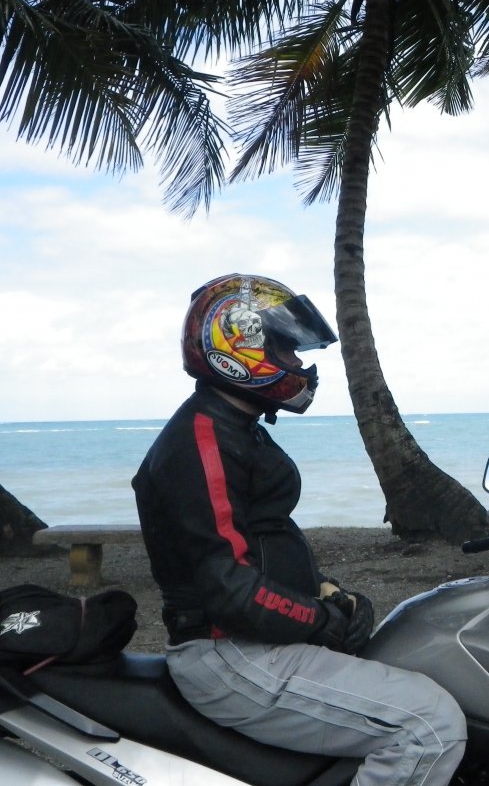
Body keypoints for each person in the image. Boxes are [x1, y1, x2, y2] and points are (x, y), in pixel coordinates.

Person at [133, 273, 467, 786]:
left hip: (253, 643)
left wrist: (328, 593)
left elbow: (256, 546)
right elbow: (226, 585)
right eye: (285, 349)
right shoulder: (204, 440)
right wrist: (321, 620)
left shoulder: (231, 427)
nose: (298, 365)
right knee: (429, 725)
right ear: (239, 347)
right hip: (230, 653)